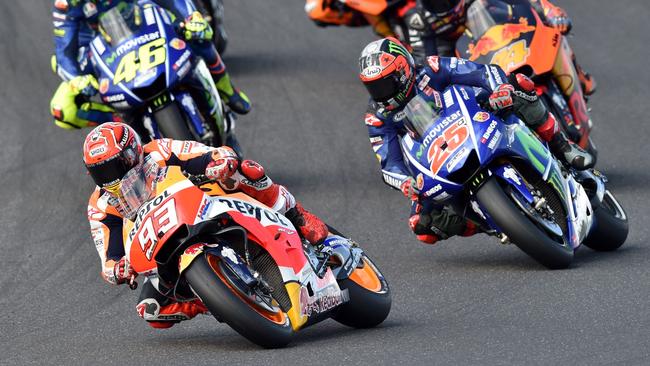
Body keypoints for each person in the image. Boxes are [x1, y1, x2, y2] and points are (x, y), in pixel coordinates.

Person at [84, 122, 328, 328]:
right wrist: (118, 269)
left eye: (112, 166)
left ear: (131, 153)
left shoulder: (158, 150)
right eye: (99, 172)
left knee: (245, 171)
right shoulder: (100, 206)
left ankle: (297, 215)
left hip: (202, 202)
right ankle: (212, 298)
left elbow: (207, 153)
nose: (109, 177)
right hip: (161, 246)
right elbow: (108, 258)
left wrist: (219, 162)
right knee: (150, 310)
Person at [358, 37, 593, 244]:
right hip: (439, 156)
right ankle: (492, 222)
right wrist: (405, 183)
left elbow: (481, 72)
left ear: (402, 72)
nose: (380, 93)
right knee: (422, 227)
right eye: (373, 87)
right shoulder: (377, 116)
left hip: (475, 111)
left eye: (384, 83)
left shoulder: (431, 68)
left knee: (519, 84)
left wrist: (499, 89)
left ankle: (562, 146)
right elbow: (389, 164)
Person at [50, 0, 251, 130]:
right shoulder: (66, 4)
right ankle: (122, 127)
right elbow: (64, 51)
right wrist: (76, 78)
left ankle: (226, 89)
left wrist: (191, 17)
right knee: (62, 109)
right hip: (99, 50)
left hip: (142, 25)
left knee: (197, 33)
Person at [401, 0, 596, 95]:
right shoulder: (418, 20)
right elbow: (424, 58)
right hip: (459, 50)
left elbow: (529, 2)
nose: (443, 4)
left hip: (498, 33)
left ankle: (578, 74)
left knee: (552, 29)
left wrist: (550, 11)